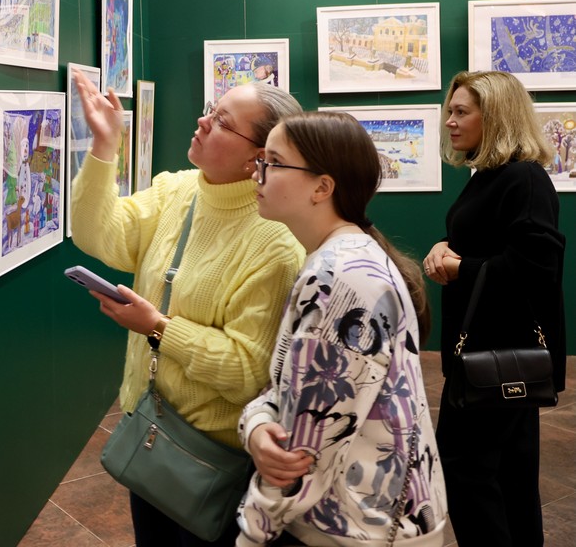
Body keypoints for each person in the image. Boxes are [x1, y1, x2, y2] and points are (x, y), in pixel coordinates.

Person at [70, 67, 306, 546]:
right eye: (210, 111)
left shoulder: (276, 243)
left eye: (222, 122)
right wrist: (104, 146)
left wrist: (158, 327)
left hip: (210, 458)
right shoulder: (177, 189)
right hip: (151, 429)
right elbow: (98, 234)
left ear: (257, 158)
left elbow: (249, 369)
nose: (202, 122)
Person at [237, 111, 448, 547]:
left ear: (322, 187)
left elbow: (305, 451)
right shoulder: (339, 259)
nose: (256, 173)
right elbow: (290, 390)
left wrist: (252, 533)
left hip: (357, 528)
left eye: (272, 162)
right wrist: (256, 424)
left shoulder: (341, 277)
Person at [422, 71, 566, 547]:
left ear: (497, 116)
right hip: (493, 351)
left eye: (461, 112)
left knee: (466, 468)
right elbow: (488, 240)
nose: (449, 121)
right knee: (509, 472)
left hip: (499, 351)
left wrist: (460, 267)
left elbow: (536, 266)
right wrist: (445, 245)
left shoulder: (523, 177)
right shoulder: (491, 175)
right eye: (450, 111)